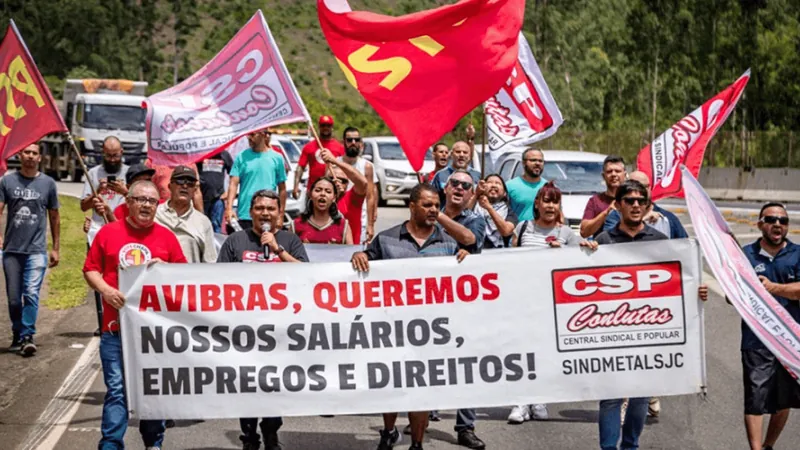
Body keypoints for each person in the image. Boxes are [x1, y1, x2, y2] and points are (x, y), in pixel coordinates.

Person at [350, 183, 469, 450]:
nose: (433, 210)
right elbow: (366, 260)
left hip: (431, 332)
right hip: (392, 328)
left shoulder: (448, 243)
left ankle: (417, 444)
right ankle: (389, 430)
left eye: (437, 205)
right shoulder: (387, 238)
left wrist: (464, 259)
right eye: (427, 205)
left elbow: (463, 274)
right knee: (391, 385)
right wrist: (359, 254)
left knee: (421, 390)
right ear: (412, 206)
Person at [593, 179, 708, 450]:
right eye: (629, 201)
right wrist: (586, 253)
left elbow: (678, 279)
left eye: (640, 201)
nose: (635, 205)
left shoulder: (660, 241)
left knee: (641, 397)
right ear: (618, 205)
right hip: (611, 332)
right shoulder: (604, 241)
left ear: (647, 205)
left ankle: (630, 445)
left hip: (648, 332)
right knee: (610, 397)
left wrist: (696, 291)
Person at [83, 180, 187, 450]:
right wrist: (105, 290)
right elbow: (90, 269)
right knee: (117, 390)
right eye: (140, 199)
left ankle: (153, 443)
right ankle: (110, 445)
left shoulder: (167, 238)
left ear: (157, 206)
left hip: (153, 336)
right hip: (115, 331)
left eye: (151, 201)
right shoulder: (108, 233)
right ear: (127, 202)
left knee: (152, 393)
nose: (145, 205)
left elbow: (185, 278)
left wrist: (166, 269)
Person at [218, 190, 307, 450]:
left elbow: (308, 275)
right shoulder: (235, 241)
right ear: (250, 211)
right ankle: (249, 434)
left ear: (279, 214)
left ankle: (271, 432)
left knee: (273, 384)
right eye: (259, 208)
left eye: (270, 209)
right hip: (243, 330)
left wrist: (277, 250)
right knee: (247, 384)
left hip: (280, 330)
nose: (265, 213)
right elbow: (216, 281)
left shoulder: (290, 241)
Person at [506, 181, 596, 423]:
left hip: (552, 306)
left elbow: (579, 271)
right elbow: (508, 262)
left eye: (555, 201)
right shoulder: (523, 228)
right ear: (537, 203)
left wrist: (572, 252)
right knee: (522, 353)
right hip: (524, 303)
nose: (550, 206)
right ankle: (520, 402)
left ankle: (539, 399)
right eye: (546, 200)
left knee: (544, 354)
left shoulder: (567, 234)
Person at [602, 170, 687, 418]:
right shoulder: (611, 229)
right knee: (618, 374)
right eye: (630, 196)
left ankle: (641, 403)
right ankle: (621, 404)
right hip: (616, 314)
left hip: (650, 312)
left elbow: (684, 257)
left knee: (642, 373)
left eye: (642, 192)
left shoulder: (667, 223)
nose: (636, 201)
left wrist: (695, 289)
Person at [740, 202, 800, 450]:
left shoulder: (797, 254)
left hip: (791, 338)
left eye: (783, 221)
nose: (777, 224)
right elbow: (733, 293)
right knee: (755, 398)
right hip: (757, 338)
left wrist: (774, 288)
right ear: (760, 224)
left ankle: (768, 445)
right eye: (771, 219)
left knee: (783, 399)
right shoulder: (745, 254)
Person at [0, 143, 60, 356]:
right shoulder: (7, 181)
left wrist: (55, 248)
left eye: (35, 153)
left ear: (40, 158)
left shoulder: (48, 184)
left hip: (36, 251)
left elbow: (54, 215)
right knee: (15, 298)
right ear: (20, 154)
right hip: (12, 251)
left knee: (32, 293)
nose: (31, 157)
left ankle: (27, 335)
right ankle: (17, 332)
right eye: (27, 152)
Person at [81, 136, 129, 335]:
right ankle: (104, 322)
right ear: (102, 153)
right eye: (108, 155)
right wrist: (96, 194)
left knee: (122, 277)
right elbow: (83, 205)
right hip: (98, 232)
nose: (111, 159)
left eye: (115, 155)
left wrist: (123, 190)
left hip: (122, 230)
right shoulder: (93, 173)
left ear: (122, 153)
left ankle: (124, 320)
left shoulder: (129, 172)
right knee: (100, 278)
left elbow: (138, 198)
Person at [226, 129, 288, 233]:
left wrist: (280, 215)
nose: (249, 138)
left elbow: (282, 189)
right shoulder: (241, 157)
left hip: (267, 214)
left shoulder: (277, 158)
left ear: (263, 134)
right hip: (245, 214)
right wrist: (229, 208)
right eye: (248, 135)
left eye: (252, 134)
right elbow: (233, 184)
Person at [155, 166, 217, 263]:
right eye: (180, 181)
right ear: (170, 186)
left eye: (190, 183)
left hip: (190, 277)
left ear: (194, 190)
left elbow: (210, 263)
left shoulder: (203, 222)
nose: (185, 186)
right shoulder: (155, 214)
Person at [603, 171, 688, 241]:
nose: (636, 205)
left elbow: (684, 248)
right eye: (630, 201)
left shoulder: (668, 220)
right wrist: (642, 221)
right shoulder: (614, 216)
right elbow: (610, 242)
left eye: (644, 187)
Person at [319, 148, 369, 244]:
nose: (337, 182)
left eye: (343, 181)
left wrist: (334, 161)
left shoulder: (352, 198)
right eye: (332, 178)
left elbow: (363, 182)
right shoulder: (318, 199)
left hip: (350, 253)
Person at [338, 126, 377, 243]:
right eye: (349, 140)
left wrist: (370, 224)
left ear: (360, 142)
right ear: (344, 142)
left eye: (357, 140)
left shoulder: (367, 166)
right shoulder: (334, 163)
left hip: (360, 217)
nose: (353, 143)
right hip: (338, 217)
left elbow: (370, 196)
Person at [293, 115, 345, 199]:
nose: (325, 128)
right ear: (319, 127)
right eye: (323, 125)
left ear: (332, 127)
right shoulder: (309, 147)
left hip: (332, 192)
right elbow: (300, 167)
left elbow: (344, 169)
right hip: (313, 191)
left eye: (328, 125)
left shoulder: (339, 147)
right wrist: (295, 186)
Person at [293, 177, 353, 245]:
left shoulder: (343, 225)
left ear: (334, 198)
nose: (323, 194)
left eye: (328, 191)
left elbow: (350, 253)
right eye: (318, 190)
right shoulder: (296, 225)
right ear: (310, 195)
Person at [580, 155, 626, 238]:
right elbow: (584, 232)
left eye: (617, 171)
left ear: (625, 175)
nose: (613, 174)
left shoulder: (633, 200)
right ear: (603, 176)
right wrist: (606, 212)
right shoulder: (595, 201)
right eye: (609, 171)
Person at [473, 174, 518, 249]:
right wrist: (476, 194)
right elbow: (464, 210)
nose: (493, 185)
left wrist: (489, 208)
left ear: (504, 193)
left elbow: (506, 231)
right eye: (490, 182)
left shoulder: (509, 212)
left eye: (498, 183)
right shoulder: (473, 204)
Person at [430, 140, 481, 205]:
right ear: (451, 154)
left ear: (469, 156)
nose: (461, 155)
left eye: (465, 152)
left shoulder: (478, 175)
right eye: (458, 152)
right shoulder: (440, 175)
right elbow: (432, 200)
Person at [505, 148, 547, 221]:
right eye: (533, 160)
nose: (537, 163)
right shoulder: (509, 186)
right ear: (524, 163)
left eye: (540, 161)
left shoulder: (549, 187)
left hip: (542, 232)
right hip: (517, 231)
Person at [196, 150, 233, 233]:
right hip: (200, 199)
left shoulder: (224, 154)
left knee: (216, 226)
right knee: (201, 227)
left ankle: (216, 246)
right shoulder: (199, 153)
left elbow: (235, 175)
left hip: (218, 199)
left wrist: (228, 192)